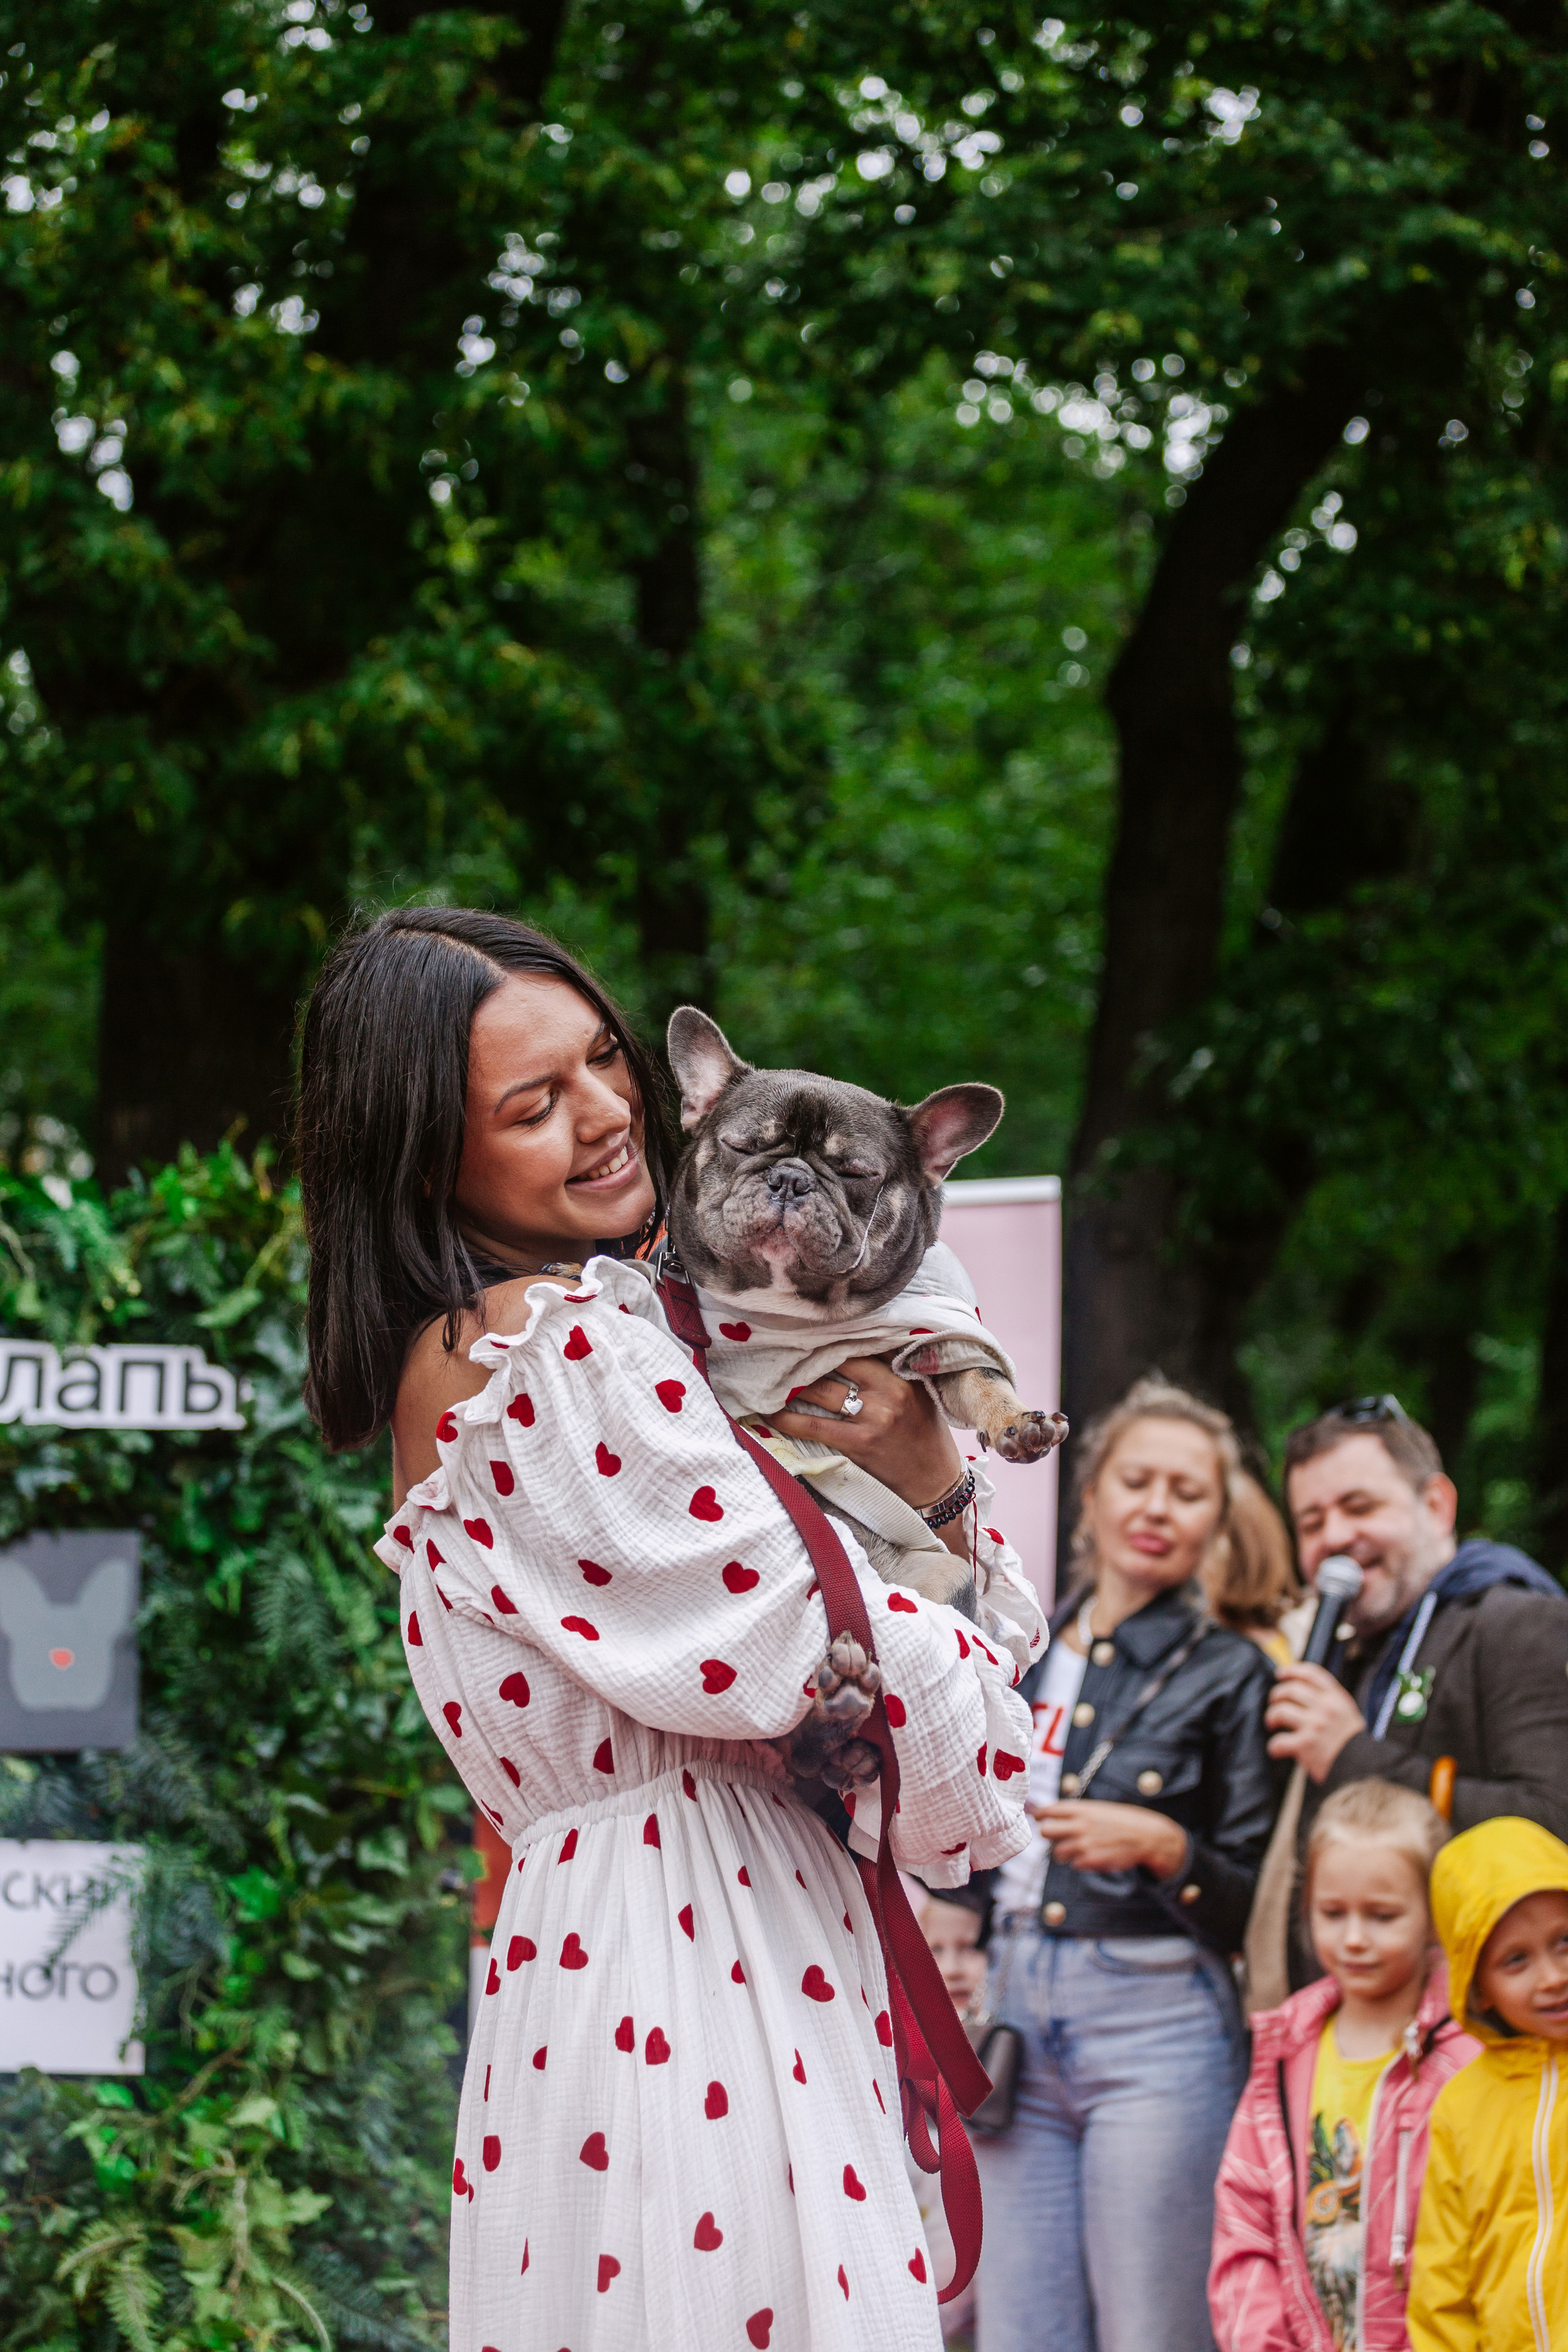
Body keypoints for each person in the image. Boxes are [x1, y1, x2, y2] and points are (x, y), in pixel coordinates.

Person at [296, 905, 1039, 2351]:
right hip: (688, 1955)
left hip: (661, 1942)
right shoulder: (539, 1355)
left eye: (598, 1059)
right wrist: (935, 1507)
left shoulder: (611, 1327)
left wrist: (923, 1504)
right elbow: (849, 1676)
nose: (599, 1116)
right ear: (424, 1159)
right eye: (529, 1103)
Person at [973, 1375, 1276, 2352]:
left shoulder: (1233, 1670)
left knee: (1155, 2330)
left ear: (1215, 1522)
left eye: (1187, 1492)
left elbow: (1259, 1905)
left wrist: (1166, 1848)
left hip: (1159, 2019)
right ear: (1092, 1494)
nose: (1156, 1507)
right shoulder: (1021, 1642)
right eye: (1137, 1481)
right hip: (1014, 2006)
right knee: (1022, 2329)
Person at [1264, 1397, 1568, 1983]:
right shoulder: (1346, 1654)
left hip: (1474, 2031)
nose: (1336, 1537)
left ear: (1436, 1505)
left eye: (1360, 1506)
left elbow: (1552, 1821)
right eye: (1312, 1522)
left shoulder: (1519, 1622)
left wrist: (1353, 1756)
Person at [1210, 1779, 1477, 2352]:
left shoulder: (1468, 2058)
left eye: (1382, 1916)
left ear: (1435, 1915)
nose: (1354, 1938)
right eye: (1333, 1913)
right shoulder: (1283, 2050)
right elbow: (1246, 2217)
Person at [1408, 1815, 1568, 2351]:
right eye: (1516, 1960)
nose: (1552, 1977)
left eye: (1565, 1942)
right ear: (1479, 1990)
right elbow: (1442, 2283)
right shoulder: (1462, 2107)